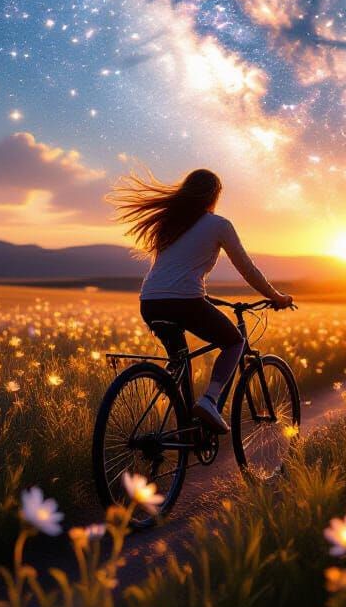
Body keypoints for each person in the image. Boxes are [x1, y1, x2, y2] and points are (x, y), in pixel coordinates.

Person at [108, 168, 293, 434]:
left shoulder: (169, 225)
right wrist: (276, 297)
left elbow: (171, 273)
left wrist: (203, 297)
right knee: (234, 342)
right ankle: (209, 401)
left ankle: (183, 426)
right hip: (184, 302)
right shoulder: (218, 225)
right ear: (214, 196)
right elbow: (247, 269)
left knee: (180, 360)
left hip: (149, 301)